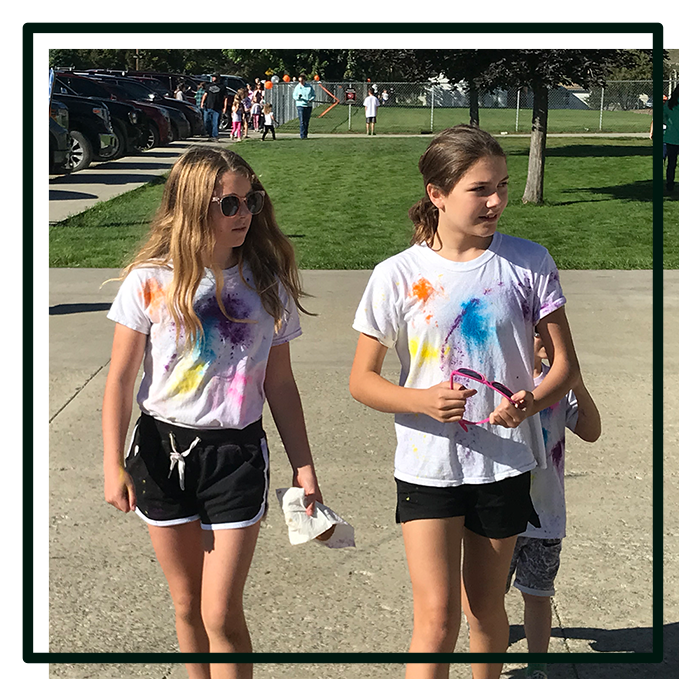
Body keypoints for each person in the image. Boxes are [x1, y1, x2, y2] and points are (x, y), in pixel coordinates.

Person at [349, 124, 580, 680]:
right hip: (428, 467)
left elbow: (567, 367)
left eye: (501, 185)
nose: (497, 200)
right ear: (437, 194)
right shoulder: (396, 276)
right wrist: (420, 399)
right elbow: (362, 380)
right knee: (435, 617)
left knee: (485, 611)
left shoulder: (527, 262)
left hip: (504, 464)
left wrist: (528, 402)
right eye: (480, 189)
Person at [102, 146, 324, 680]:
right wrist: (112, 463)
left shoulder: (266, 284)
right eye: (229, 204)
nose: (244, 214)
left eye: (250, 201)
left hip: (236, 455)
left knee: (220, 613)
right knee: (187, 606)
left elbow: (281, 382)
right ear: (192, 206)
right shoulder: (151, 282)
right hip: (161, 452)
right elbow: (120, 379)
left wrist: (304, 464)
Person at [504, 332, 600, 679]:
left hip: (546, 515)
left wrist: (577, 382)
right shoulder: (499, 379)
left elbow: (591, 430)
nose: (546, 336)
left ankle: (537, 666)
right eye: (536, 331)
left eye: (550, 329)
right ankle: (488, 660)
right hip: (499, 514)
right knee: (487, 598)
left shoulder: (557, 386)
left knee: (538, 595)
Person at [201, 74, 226, 141]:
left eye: (214, 77)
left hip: (217, 107)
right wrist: (202, 103)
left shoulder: (222, 87)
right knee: (206, 121)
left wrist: (224, 107)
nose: (213, 78)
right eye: (212, 77)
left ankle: (214, 136)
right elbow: (205, 94)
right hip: (208, 106)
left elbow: (225, 98)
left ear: (218, 78)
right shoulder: (208, 86)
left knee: (216, 122)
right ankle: (210, 134)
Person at [663, 86, 679, 192]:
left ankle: (670, 183)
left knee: (671, 163)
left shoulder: (669, 104)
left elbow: (663, 118)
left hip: (671, 137)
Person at [292, 74, 315, 139]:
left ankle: (305, 134)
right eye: (299, 81)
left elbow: (313, 95)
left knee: (306, 121)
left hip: (308, 106)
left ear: (304, 80)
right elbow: (294, 96)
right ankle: (302, 135)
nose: (301, 82)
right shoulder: (297, 87)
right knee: (302, 121)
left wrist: (311, 99)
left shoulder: (309, 87)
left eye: (302, 80)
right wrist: (298, 97)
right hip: (300, 105)